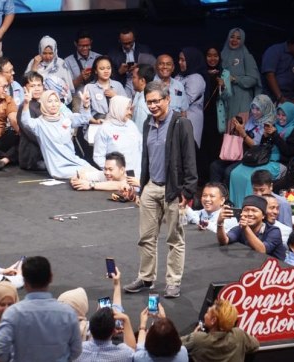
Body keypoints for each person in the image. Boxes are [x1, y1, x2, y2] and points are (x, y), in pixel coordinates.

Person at [122, 81, 197, 299]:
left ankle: (173, 282)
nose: (153, 105)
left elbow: (190, 159)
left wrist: (188, 191)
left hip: (173, 190)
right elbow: (146, 157)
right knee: (146, 237)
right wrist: (142, 186)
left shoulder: (181, 124)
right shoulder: (147, 123)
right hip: (150, 187)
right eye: (149, 102)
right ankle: (146, 278)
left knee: (175, 238)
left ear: (167, 100)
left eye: (157, 101)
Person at [0, 256, 82, 361]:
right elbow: (76, 350)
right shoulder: (68, 313)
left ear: (25, 282)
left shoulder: (13, 313)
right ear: (51, 277)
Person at [229, 102, 294, 209]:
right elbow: (262, 148)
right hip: (263, 160)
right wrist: (265, 137)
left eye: (284, 115)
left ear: (291, 115)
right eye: (278, 114)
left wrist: (275, 135)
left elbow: (288, 151)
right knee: (235, 173)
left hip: (280, 163)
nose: (280, 118)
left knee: (250, 178)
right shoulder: (274, 126)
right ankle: (237, 208)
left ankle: (251, 208)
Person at [20, 89, 98, 179]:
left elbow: (84, 119)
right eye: (49, 101)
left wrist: (85, 105)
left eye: (56, 101)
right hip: (59, 168)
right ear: (44, 104)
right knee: (93, 176)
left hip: (74, 161)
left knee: (95, 172)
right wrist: (26, 103)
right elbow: (26, 122)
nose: (54, 104)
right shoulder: (40, 123)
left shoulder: (65, 117)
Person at [209, 94, 275, 185]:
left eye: (258, 109)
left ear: (265, 109)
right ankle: (214, 192)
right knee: (215, 166)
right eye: (253, 108)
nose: (254, 111)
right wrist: (240, 128)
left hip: (254, 157)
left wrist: (242, 133)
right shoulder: (252, 119)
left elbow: (257, 147)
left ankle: (226, 196)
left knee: (229, 172)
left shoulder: (268, 125)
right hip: (241, 153)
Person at [181, 299, 259, 361]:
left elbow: (173, 346)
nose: (205, 315)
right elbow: (255, 345)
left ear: (213, 320)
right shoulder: (239, 335)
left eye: (207, 313)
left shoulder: (198, 339)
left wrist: (193, 336)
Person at [217, 194, 285, 259]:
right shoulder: (239, 229)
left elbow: (262, 251)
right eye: (246, 210)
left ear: (263, 216)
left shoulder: (274, 231)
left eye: (254, 211)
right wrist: (220, 223)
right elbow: (224, 241)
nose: (249, 214)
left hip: (277, 268)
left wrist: (246, 228)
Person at [199, 45, 230, 184]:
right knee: (202, 147)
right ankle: (202, 179)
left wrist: (223, 86)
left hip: (217, 117)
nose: (212, 59)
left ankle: (214, 181)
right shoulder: (200, 73)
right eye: (209, 55)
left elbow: (228, 96)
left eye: (215, 55)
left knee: (216, 146)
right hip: (202, 116)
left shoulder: (225, 73)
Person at [92, 95, 141, 176]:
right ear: (118, 109)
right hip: (115, 178)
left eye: (130, 109)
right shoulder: (104, 129)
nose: (130, 112)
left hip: (136, 174)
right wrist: (112, 172)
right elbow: (98, 157)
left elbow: (140, 148)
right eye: (127, 109)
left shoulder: (131, 125)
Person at [221, 28, 262, 121]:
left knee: (238, 131)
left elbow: (253, 79)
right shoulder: (221, 55)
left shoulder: (246, 56)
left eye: (238, 38)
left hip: (242, 101)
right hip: (225, 101)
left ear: (242, 40)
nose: (234, 40)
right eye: (232, 37)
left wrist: (235, 79)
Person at [261, 34, 294, 108]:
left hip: (289, 98)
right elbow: (269, 75)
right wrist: (280, 98)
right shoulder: (274, 51)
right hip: (269, 97)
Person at [107, 26, 155, 97]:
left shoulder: (145, 50)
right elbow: (108, 77)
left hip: (141, 83)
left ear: (134, 38)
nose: (128, 46)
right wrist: (119, 72)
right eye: (124, 43)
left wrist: (139, 68)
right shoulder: (113, 54)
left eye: (130, 42)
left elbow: (153, 70)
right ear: (119, 41)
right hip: (123, 84)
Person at [25, 35, 74, 103]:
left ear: (55, 51)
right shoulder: (34, 62)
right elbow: (28, 82)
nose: (48, 57)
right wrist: (35, 65)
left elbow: (67, 87)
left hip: (57, 103)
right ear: (40, 51)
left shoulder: (61, 63)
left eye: (50, 53)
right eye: (44, 53)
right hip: (38, 102)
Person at [176, 46, 206, 147]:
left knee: (189, 150)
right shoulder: (180, 75)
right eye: (179, 59)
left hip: (191, 119)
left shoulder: (196, 78)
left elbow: (186, 100)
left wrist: (174, 93)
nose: (180, 62)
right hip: (180, 119)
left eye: (183, 60)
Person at [64, 29, 101, 105]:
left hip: (97, 96)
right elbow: (68, 88)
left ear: (91, 43)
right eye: (81, 46)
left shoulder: (99, 58)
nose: (85, 48)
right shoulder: (68, 61)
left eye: (87, 45)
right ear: (75, 44)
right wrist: (81, 77)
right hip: (78, 98)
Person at [131, 64, 154, 132]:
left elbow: (139, 131)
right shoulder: (153, 95)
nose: (132, 80)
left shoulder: (142, 102)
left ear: (142, 81)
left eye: (134, 77)